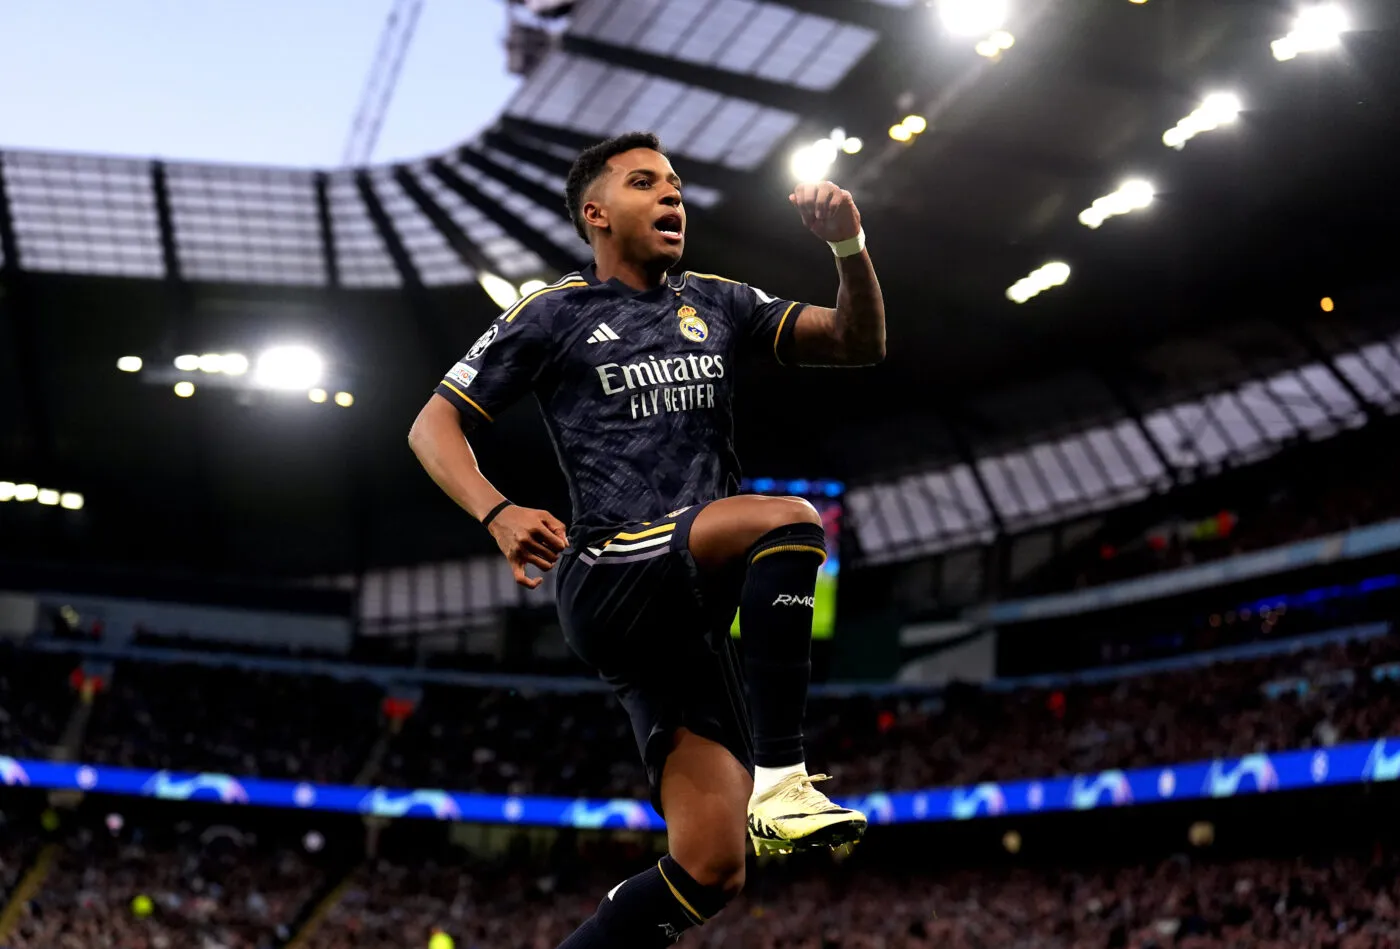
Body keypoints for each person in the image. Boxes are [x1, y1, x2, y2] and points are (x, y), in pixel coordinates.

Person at [409, 131, 885, 947]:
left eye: (674, 184)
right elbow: (433, 423)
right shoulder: (555, 312)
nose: (672, 197)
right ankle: (785, 779)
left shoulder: (721, 301)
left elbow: (857, 341)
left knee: (711, 864)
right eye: (644, 183)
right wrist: (496, 510)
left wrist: (848, 245)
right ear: (596, 214)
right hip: (611, 571)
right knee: (791, 521)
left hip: (687, 622)